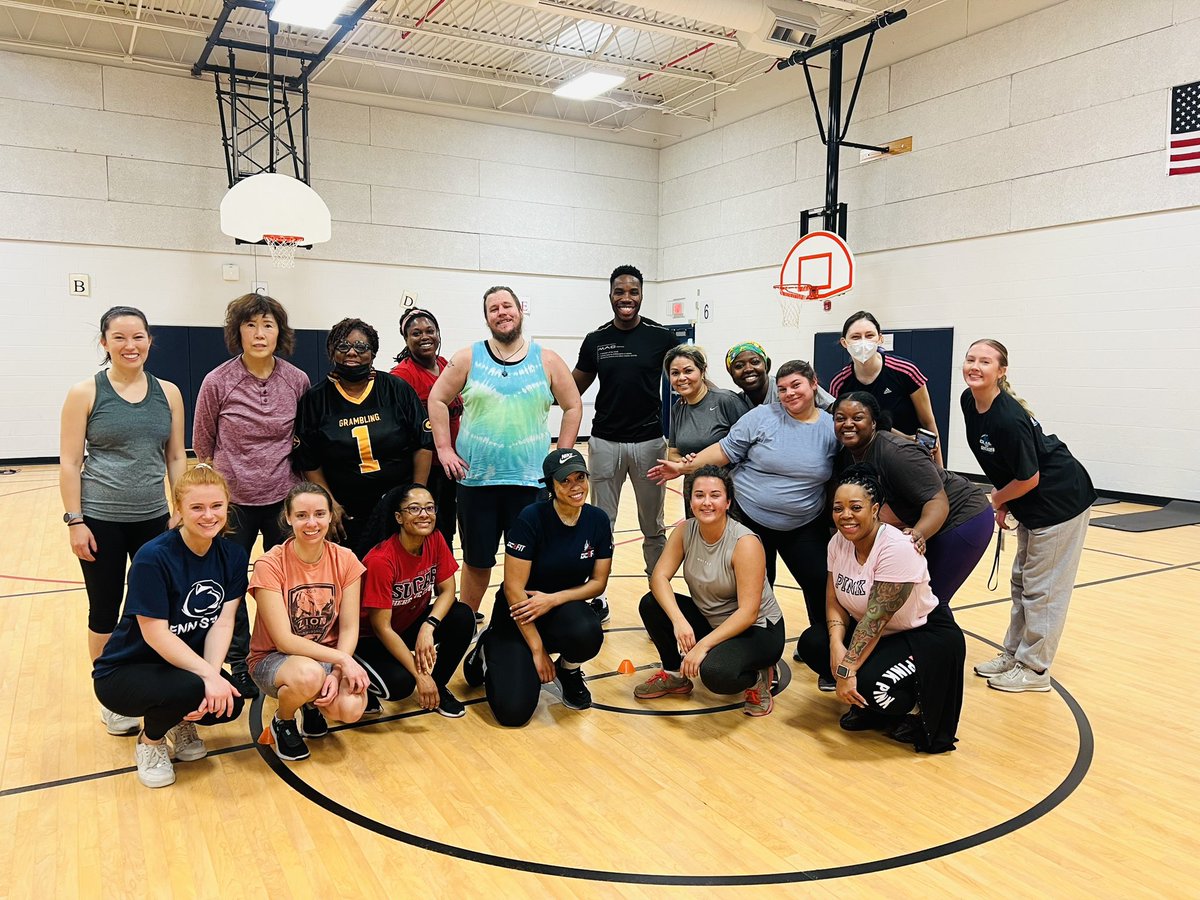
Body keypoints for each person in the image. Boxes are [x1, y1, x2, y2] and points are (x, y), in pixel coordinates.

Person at [650, 360, 838, 679]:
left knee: (819, 584)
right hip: (752, 517)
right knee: (752, 589)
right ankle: (748, 652)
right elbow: (723, 451)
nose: (789, 393)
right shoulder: (762, 417)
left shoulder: (830, 428)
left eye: (797, 386)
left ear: (813, 384)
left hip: (804, 523)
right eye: (782, 388)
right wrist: (682, 468)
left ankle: (825, 656)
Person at [60, 305, 187, 737]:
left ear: (150, 341)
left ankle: (161, 689)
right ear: (104, 342)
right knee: (105, 608)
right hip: (100, 519)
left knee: (158, 609)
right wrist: (75, 520)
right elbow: (70, 460)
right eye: (120, 337)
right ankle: (110, 697)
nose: (130, 346)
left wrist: (181, 509)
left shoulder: (168, 392)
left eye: (138, 337)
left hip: (153, 519)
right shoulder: (85, 392)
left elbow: (175, 455)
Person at [429, 286, 582, 629]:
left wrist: (564, 453)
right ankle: (464, 626)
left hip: (529, 483)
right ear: (486, 318)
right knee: (477, 562)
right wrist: (444, 448)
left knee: (528, 562)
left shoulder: (548, 360)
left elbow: (573, 406)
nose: (502, 312)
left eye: (507, 305)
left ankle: (523, 630)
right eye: (493, 308)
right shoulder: (468, 357)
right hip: (477, 481)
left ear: (520, 311)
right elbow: (437, 399)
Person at [92, 464, 248, 788]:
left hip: (177, 668)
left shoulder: (232, 556)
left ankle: (178, 719)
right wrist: (206, 678)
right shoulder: (153, 557)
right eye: (197, 507)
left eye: (216, 506)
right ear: (178, 510)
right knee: (194, 688)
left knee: (229, 703)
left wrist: (214, 674)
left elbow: (222, 622)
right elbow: (155, 634)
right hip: (124, 672)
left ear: (227, 505)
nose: (209, 515)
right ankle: (150, 742)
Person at [795, 468, 965, 753]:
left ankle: (911, 710)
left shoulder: (897, 548)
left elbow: (875, 620)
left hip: (923, 635)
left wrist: (847, 670)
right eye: (838, 508)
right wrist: (837, 645)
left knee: (872, 683)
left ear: (875, 510)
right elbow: (833, 598)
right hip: (882, 634)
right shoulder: (838, 541)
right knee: (814, 644)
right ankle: (872, 710)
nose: (845, 515)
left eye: (856, 507)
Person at [193, 293, 310, 700]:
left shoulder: (296, 380)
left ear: (280, 332)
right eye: (250, 325)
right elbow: (202, 446)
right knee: (231, 587)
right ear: (237, 331)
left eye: (268, 325)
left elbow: (303, 440)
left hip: (282, 500)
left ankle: (282, 649)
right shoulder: (217, 381)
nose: (259, 334)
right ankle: (240, 662)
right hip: (235, 504)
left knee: (285, 584)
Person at [962, 339, 1094, 693]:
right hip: (1031, 502)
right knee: (1022, 582)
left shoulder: (1008, 416)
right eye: (970, 359)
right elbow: (1000, 465)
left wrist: (996, 499)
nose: (975, 366)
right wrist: (1005, 502)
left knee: (1043, 589)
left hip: (1061, 501)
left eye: (985, 361)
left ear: (1001, 372)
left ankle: (1035, 670)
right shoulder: (969, 402)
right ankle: (1014, 655)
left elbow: (1029, 477)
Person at [464, 449, 611, 727]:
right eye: (565, 481)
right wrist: (537, 650)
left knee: (588, 630)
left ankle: (568, 672)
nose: (575, 486)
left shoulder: (597, 520)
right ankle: (487, 646)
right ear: (551, 486)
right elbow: (513, 589)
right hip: (517, 618)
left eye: (580, 477)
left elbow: (597, 583)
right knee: (513, 713)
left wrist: (553, 600)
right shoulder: (531, 518)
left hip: (558, 613)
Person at [635, 466, 785, 716]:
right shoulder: (685, 530)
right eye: (699, 495)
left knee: (715, 674)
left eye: (715, 495)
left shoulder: (744, 543)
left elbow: (748, 613)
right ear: (690, 500)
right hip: (713, 621)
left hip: (756, 630)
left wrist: (701, 647)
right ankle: (674, 675)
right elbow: (659, 577)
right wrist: (679, 621)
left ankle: (758, 678)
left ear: (727, 501)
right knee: (651, 604)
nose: (706, 502)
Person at [572, 265, 679, 605]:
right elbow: (571, 387)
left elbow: (689, 376)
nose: (626, 298)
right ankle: (595, 596)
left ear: (642, 295)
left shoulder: (661, 338)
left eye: (633, 291)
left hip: (650, 442)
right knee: (601, 524)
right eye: (620, 292)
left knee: (653, 526)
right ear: (610, 296)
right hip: (604, 442)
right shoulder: (596, 340)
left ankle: (659, 596)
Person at [832, 391, 993, 605]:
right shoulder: (847, 456)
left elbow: (937, 503)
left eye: (858, 418)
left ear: (874, 423)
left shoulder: (896, 453)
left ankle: (943, 637)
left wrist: (918, 534)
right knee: (907, 600)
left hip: (963, 517)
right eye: (840, 418)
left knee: (929, 601)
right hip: (923, 522)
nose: (848, 424)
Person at [247, 482, 371, 761]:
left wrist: (339, 670)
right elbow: (284, 640)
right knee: (309, 675)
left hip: (326, 656)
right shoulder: (270, 564)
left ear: (330, 516)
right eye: (302, 515)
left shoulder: (346, 559)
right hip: (274, 660)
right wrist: (342, 661)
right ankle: (284, 721)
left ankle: (311, 705)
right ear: (288, 518)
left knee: (351, 708)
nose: (311, 522)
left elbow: (350, 628)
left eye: (319, 514)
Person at [293, 317, 433, 556]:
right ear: (331, 351)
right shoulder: (315, 400)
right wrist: (329, 502)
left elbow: (423, 443)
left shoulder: (396, 389)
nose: (352, 353)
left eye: (361, 347)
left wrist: (416, 494)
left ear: (373, 352)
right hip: (346, 511)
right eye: (343, 346)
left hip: (397, 508)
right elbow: (309, 459)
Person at [355, 484, 475, 718]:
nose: (424, 514)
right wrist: (420, 674)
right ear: (399, 517)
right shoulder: (381, 560)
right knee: (401, 685)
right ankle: (355, 673)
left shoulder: (435, 538)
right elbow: (382, 627)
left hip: (407, 624)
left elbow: (448, 589)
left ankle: (437, 688)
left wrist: (429, 626)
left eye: (429, 508)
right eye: (415, 509)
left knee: (462, 616)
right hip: (370, 638)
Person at [827, 311, 943, 466]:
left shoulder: (906, 371)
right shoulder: (839, 382)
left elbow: (929, 423)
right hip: (864, 461)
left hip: (907, 458)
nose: (863, 342)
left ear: (880, 339)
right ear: (844, 342)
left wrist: (941, 470)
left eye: (869, 335)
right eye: (855, 337)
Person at [390, 307, 461, 552]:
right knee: (427, 531)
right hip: (425, 470)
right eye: (416, 333)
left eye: (430, 331)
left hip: (452, 467)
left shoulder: (446, 365)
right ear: (406, 339)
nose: (424, 337)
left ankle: (445, 586)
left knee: (447, 532)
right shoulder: (402, 376)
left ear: (439, 334)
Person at [664, 345, 745, 518]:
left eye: (688, 371)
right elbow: (673, 453)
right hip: (695, 491)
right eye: (675, 373)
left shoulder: (726, 400)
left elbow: (749, 447)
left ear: (702, 371)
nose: (682, 378)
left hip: (729, 492)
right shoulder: (678, 408)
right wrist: (685, 462)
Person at [726, 341, 834, 412]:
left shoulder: (790, 385)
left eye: (755, 362)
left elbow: (834, 408)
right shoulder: (737, 402)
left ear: (767, 365)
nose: (748, 369)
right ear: (730, 372)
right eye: (739, 366)